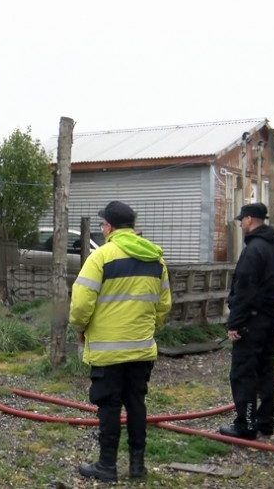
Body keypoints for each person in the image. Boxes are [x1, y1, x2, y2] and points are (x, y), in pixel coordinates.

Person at [70, 201, 172, 481]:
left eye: (103, 224)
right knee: (137, 403)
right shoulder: (156, 259)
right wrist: (147, 329)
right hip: (141, 349)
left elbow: (80, 303)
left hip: (108, 352)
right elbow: (164, 306)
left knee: (110, 406)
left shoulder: (101, 257)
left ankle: (107, 467)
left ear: (109, 227)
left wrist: (80, 328)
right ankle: (138, 468)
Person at [218, 202, 274, 440]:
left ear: (249, 220)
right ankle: (265, 421)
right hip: (271, 319)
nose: (240, 224)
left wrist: (235, 324)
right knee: (265, 370)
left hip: (251, 321)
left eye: (241, 220)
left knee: (244, 373)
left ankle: (245, 424)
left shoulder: (253, 250)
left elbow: (243, 289)